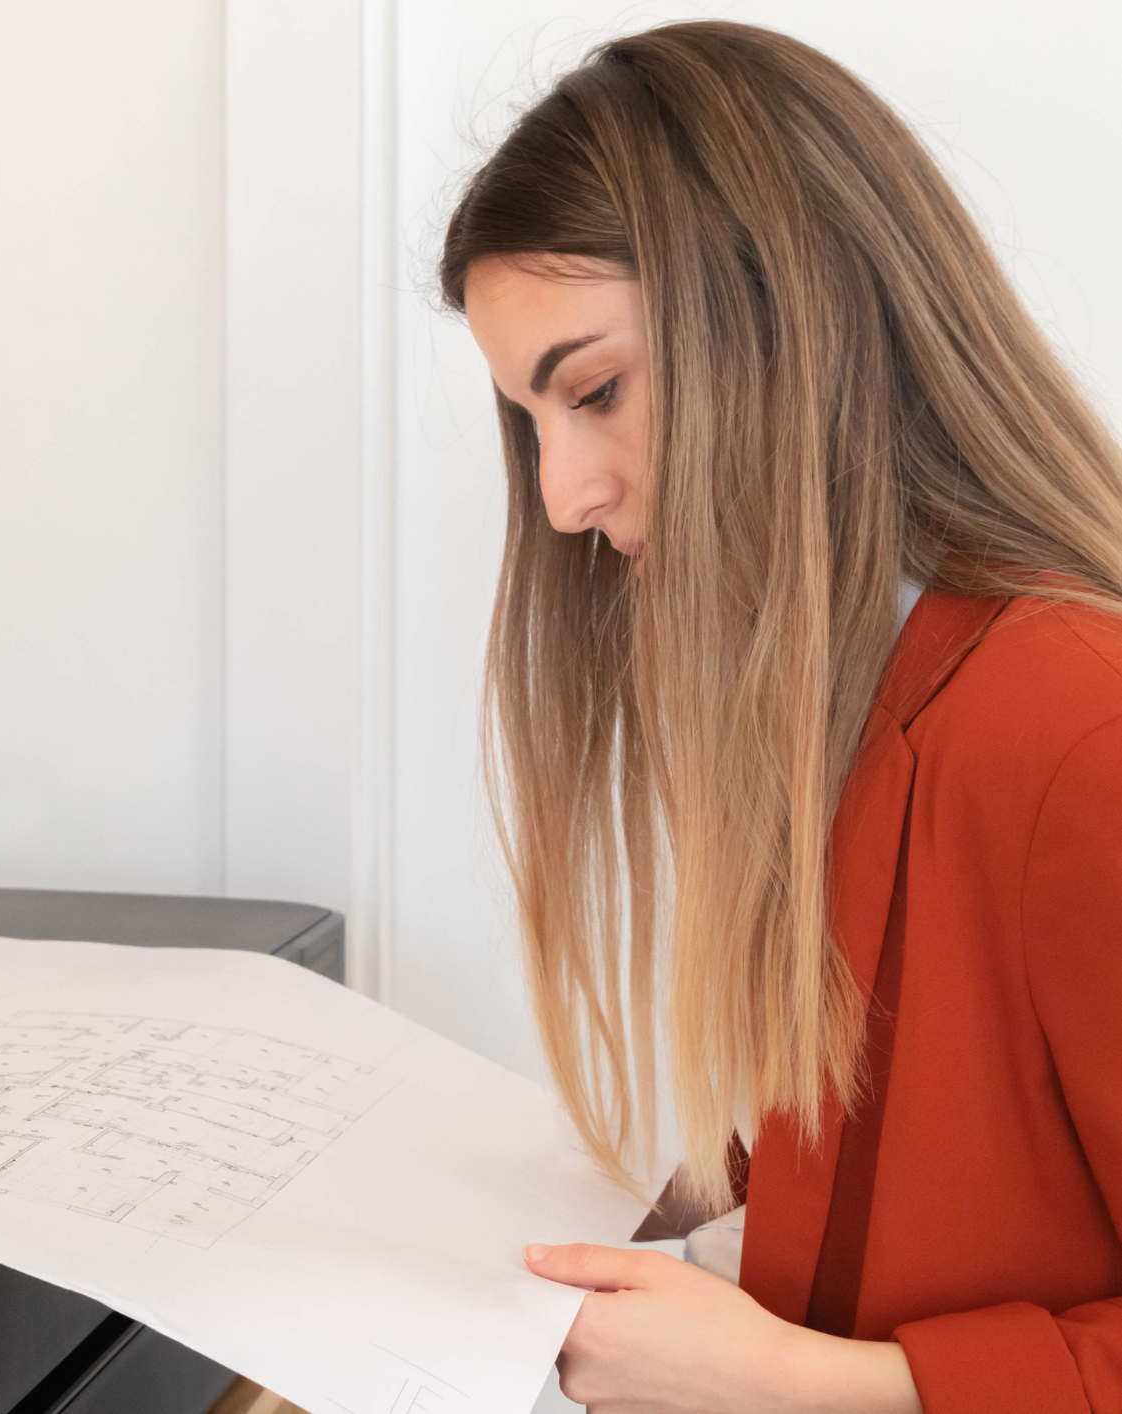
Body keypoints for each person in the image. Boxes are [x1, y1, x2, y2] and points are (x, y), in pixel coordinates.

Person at [440, 21, 1122, 1414]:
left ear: (787, 317)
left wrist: (829, 1385)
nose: (563, 495)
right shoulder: (854, 701)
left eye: (597, 392)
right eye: (531, 422)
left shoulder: (1076, 733)